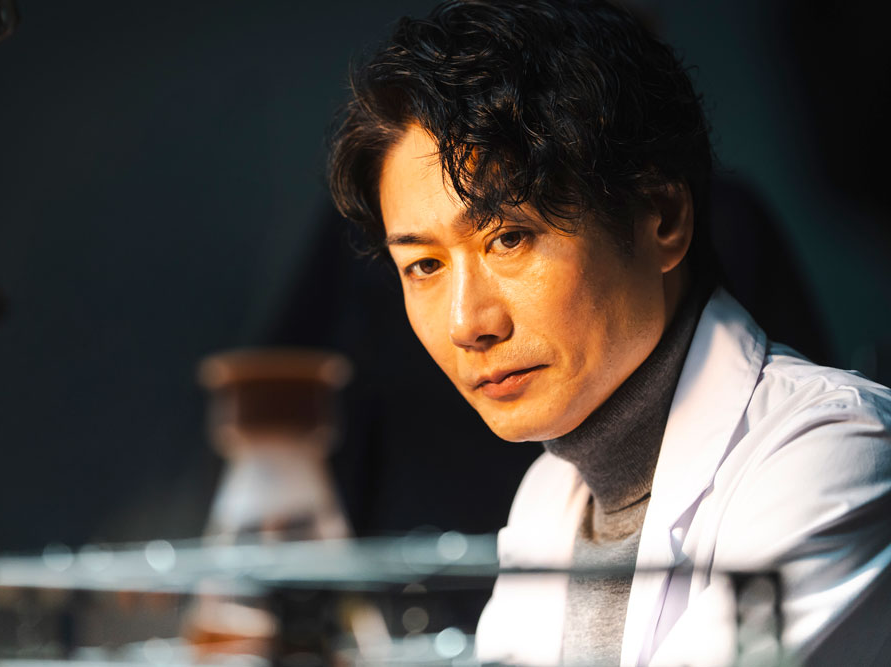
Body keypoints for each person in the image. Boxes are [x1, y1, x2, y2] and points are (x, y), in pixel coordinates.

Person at [326, 0, 891, 665]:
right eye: (424, 265)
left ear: (661, 217)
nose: (467, 324)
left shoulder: (836, 454)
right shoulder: (549, 497)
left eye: (509, 238)